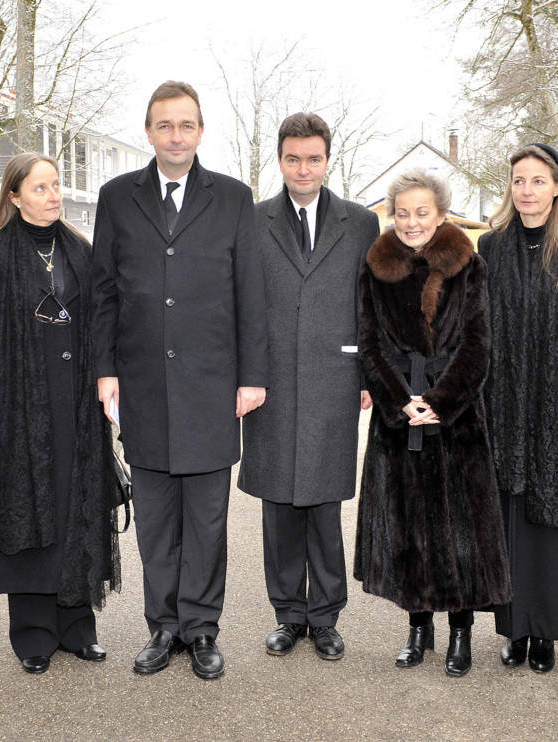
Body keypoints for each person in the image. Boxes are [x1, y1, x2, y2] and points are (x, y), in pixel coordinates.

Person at [92, 81, 269, 680]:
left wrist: (252, 377)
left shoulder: (234, 198)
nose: (176, 136)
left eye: (186, 125)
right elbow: (104, 291)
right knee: (157, 520)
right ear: (148, 132)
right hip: (142, 386)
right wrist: (105, 368)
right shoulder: (117, 197)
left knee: (207, 521)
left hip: (212, 387)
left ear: (200, 131)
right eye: (164, 125)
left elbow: (251, 292)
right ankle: (162, 628)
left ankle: (201, 629)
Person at [0, 152, 120, 675]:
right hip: (16, 404)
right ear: (13, 196)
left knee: (75, 506)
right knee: (27, 509)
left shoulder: (80, 249)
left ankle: (78, 628)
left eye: (56, 185)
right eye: (39, 187)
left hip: (77, 402)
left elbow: (103, 320)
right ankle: (33, 633)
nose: (53, 195)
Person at [355, 169, 510, 676]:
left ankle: (460, 631)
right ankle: (417, 627)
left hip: (455, 420)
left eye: (423, 212)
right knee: (407, 527)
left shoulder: (470, 266)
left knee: (460, 529)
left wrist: (441, 402)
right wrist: (401, 403)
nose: (412, 221)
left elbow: (478, 344)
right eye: (403, 212)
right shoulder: (375, 268)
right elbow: (370, 344)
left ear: (441, 215)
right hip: (397, 419)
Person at [238, 112, 380, 661]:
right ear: (280, 160)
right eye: (293, 158)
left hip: (334, 379)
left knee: (323, 504)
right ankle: (287, 614)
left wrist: (369, 374)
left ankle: (325, 616)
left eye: (313, 158)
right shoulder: (251, 221)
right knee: (278, 504)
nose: (303, 168)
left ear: (327, 160)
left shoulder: (360, 223)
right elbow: (241, 303)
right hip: (270, 383)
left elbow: (371, 306)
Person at [479, 143, 558, 673]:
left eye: (537, 180)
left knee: (554, 521)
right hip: (505, 400)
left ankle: (547, 630)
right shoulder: (490, 248)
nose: (527, 190)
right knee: (509, 517)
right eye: (518, 181)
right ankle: (514, 626)